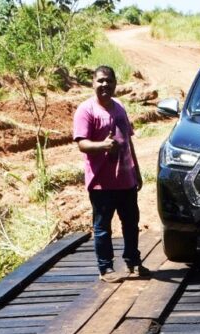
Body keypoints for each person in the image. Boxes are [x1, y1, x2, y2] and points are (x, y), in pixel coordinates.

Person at [73, 65, 149, 283]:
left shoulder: (120, 107)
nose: (105, 85)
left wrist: (136, 170)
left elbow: (128, 140)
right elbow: (82, 144)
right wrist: (103, 146)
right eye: (101, 81)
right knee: (103, 227)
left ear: (115, 83)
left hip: (126, 180)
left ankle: (133, 262)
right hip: (101, 183)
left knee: (131, 224)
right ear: (93, 83)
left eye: (109, 81)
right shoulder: (86, 110)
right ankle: (105, 268)